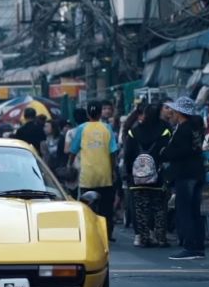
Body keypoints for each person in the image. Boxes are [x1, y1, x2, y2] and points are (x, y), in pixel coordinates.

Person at [161, 97, 206, 260]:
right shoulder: (197, 127)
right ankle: (198, 246)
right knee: (195, 211)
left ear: (180, 112)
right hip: (198, 173)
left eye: (174, 111)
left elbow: (176, 152)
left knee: (185, 211)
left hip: (185, 174)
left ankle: (190, 247)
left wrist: (164, 153)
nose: (171, 113)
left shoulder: (183, 129)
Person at [71, 100, 119, 240]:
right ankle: (107, 233)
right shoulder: (107, 128)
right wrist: (113, 169)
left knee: (87, 207)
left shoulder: (81, 128)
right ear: (100, 113)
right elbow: (113, 152)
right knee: (106, 208)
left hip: (87, 176)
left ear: (87, 113)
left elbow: (73, 150)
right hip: (105, 175)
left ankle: (89, 233)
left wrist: (69, 163)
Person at [125, 103, 172, 247]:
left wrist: (129, 173)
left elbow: (128, 155)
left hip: (138, 177)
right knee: (159, 207)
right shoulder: (165, 130)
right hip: (158, 176)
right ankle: (160, 238)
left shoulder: (134, 131)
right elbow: (168, 152)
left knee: (141, 209)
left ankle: (144, 237)